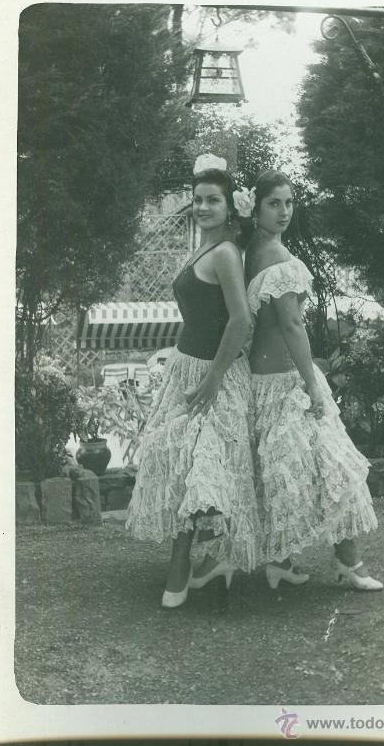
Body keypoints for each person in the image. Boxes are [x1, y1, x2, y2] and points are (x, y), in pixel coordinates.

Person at [126, 154, 259, 608]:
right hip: (186, 366)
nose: (203, 207)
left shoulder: (225, 253)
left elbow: (240, 320)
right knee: (180, 464)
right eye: (198, 199)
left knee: (197, 469)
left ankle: (181, 569)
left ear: (229, 207)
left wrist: (214, 379)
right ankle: (204, 563)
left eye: (213, 200)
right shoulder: (202, 246)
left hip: (213, 374)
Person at [244, 170, 383, 592]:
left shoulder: (251, 250)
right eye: (274, 203)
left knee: (287, 474)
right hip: (287, 381)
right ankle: (348, 561)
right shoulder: (276, 256)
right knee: (331, 468)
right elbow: (291, 324)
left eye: (289, 202)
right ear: (256, 207)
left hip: (261, 380)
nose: (284, 211)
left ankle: (281, 562)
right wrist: (312, 383)